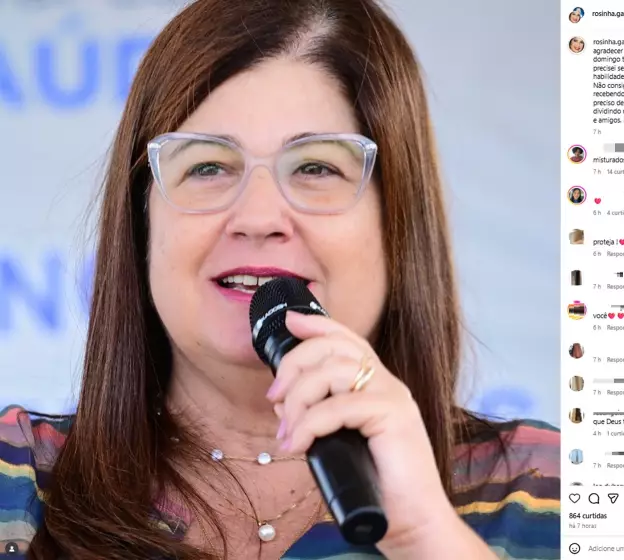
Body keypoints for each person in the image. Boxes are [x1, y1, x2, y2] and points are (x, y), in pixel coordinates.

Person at [0, 1, 559, 559]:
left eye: (316, 168)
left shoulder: (544, 485)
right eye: (207, 167)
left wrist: (426, 538)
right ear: (142, 219)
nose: (259, 217)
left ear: (396, 222)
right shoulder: (17, 476)